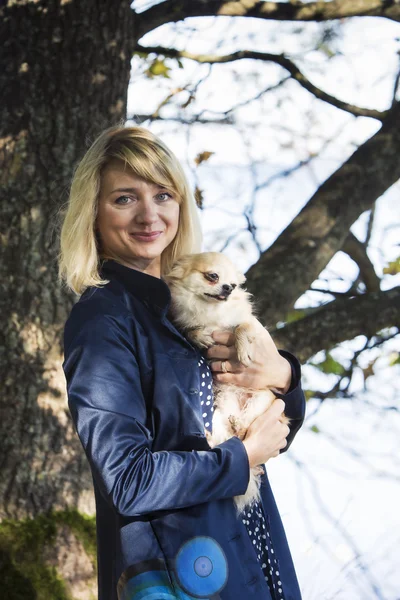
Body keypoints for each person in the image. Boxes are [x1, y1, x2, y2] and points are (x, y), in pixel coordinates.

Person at [59, 125, 305, 600]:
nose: (149, 215)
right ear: (93, 212)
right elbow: (127, 480)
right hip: (177, 573)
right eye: (125, 199)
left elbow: (268, 429)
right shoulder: (103, 319)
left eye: (163, 195)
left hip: (247, 552)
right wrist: (242, 458)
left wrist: (284, 377)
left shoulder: (185, 306)